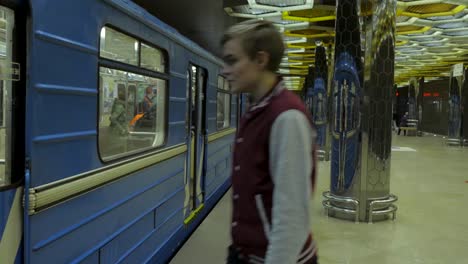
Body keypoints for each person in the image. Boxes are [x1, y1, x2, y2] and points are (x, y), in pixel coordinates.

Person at [221, 19, 318, 264]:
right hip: (247, 254)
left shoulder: (287, 117)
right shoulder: (258, 110)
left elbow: (292, 218)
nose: (224, 70)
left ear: (261, 60)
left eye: (232, 60)